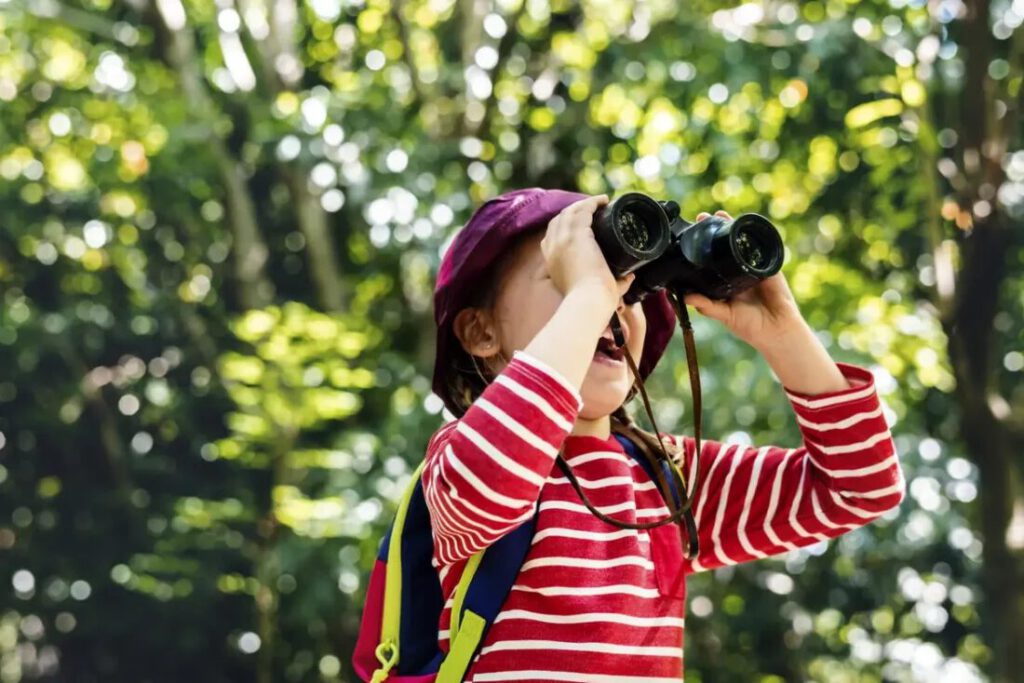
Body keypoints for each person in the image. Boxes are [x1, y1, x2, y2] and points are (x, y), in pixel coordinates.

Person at [424, 187, 905, 681]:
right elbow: (492, 473)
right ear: (481, 332)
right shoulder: (462, 455)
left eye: (628, 285)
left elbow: (860, 487)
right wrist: (588, 297)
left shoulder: (664, 474)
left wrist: (783, 333)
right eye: (569, 275)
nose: (612, 298)